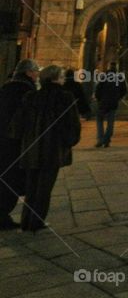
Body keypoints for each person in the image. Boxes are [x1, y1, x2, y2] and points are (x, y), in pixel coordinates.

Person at [11, 65, 81, 232]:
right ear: (56, 78)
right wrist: (68, 142)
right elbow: (72, 125)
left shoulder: (31, 96)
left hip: (30, 149)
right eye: (62, 76)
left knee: (31, 187)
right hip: (52, 150)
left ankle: (26, 221)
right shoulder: (65, 97)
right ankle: (36, 222)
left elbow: (17, 125)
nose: (64, 79)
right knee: (44, 188)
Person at [0, 59, 38, 230]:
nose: (37, 75)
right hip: (16, 144)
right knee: (12, 180)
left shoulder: (5, 88)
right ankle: (3, 216)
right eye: (35, 71)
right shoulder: (27, 91)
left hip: (3, 141)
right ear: (28, 72)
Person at [94, 63, 127, 147]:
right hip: (113, 103)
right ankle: (107, 140)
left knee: (99, 120)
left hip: (103, 103)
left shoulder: (104, 76)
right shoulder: (120, 77)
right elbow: (124, 90)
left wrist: (99, 99)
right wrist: (118, 97)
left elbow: (98, 89)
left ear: (108, 67)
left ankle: (100, 139)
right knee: (110, 122)